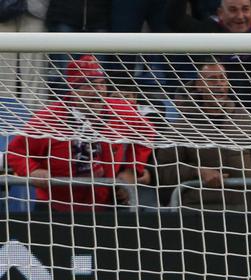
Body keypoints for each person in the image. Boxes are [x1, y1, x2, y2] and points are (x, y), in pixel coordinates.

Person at [5, 55, 155, 212]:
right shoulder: (47, 119)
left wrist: (131, 170)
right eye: (89, 85)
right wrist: (33, 170)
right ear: (73, 90)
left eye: (102, 84)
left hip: (106, 204)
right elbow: (16, 152)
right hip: (55, 207)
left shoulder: (120, 110)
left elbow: (146, 130)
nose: (98, 90)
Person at [156, 60, 251, 212]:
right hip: (199, 213)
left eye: (223, 78)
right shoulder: (180, 127)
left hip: (249, 211)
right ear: (199, 85)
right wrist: (198, 172)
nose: (219, 84)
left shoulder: (248, 119)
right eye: (212, 79)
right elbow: (162, 171)